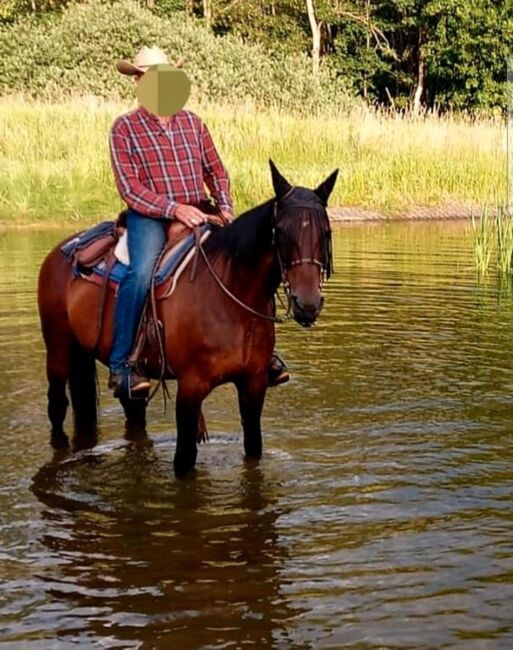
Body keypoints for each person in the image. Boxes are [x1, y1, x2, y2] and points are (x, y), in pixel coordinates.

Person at [108, 46, 288, 396]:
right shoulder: (124, 129)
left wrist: (225, 209)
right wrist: (174, 210)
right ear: (138, 81)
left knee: (245, 263)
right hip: (150, 216)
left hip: (203, 210)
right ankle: (122, 365)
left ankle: (262, 353)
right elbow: (130, 188)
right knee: (142, 272)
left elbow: (216, 171)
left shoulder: (193, 123)